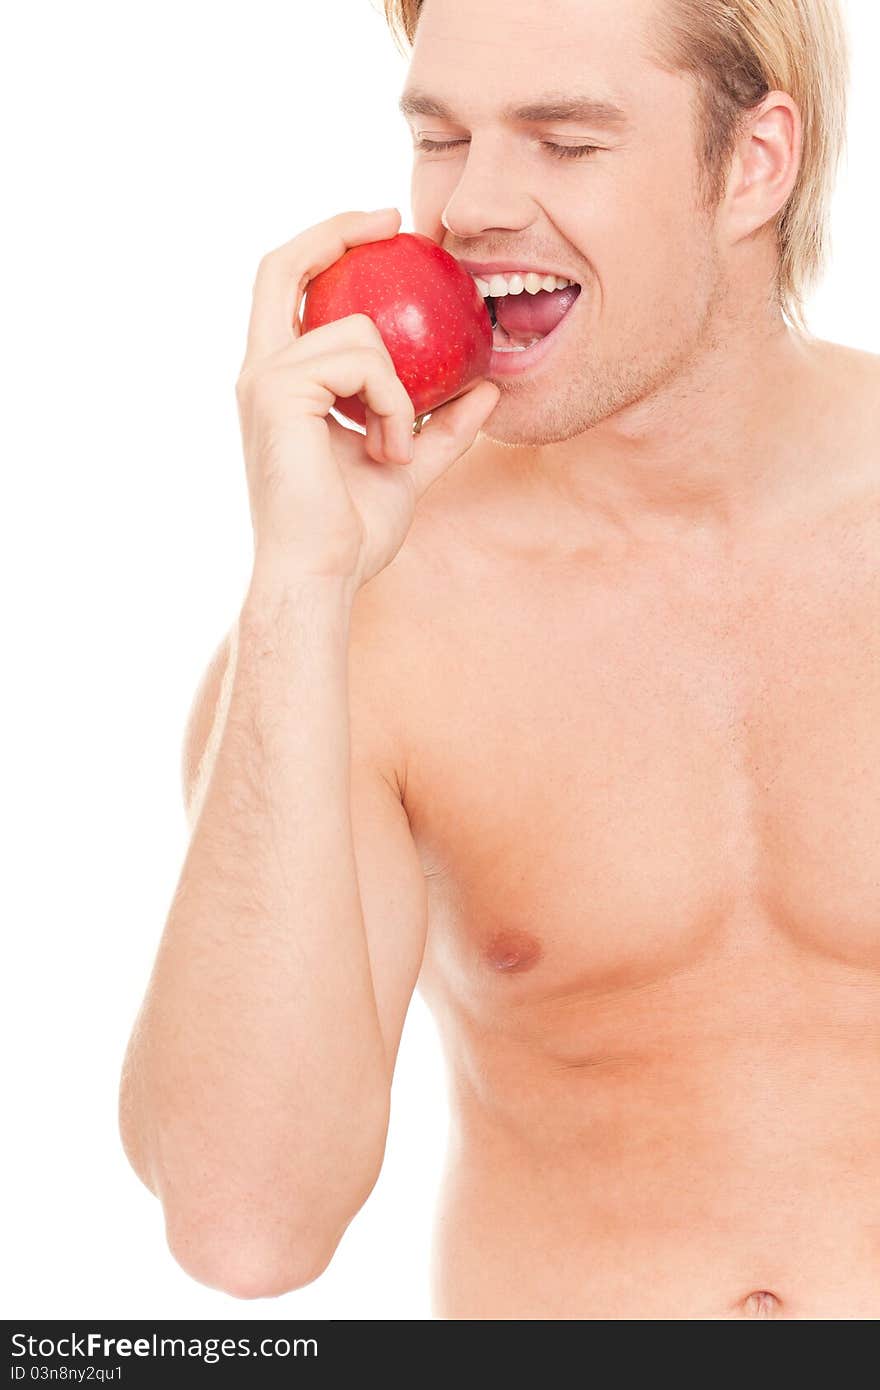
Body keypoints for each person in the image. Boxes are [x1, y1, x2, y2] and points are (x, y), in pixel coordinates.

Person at [118, 0, 880, 1319]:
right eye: (441, 137)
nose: (469, 207)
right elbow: (247, 1226)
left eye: (561, 142)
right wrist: (302, 586)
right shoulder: (374, 612)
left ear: (753, 163)